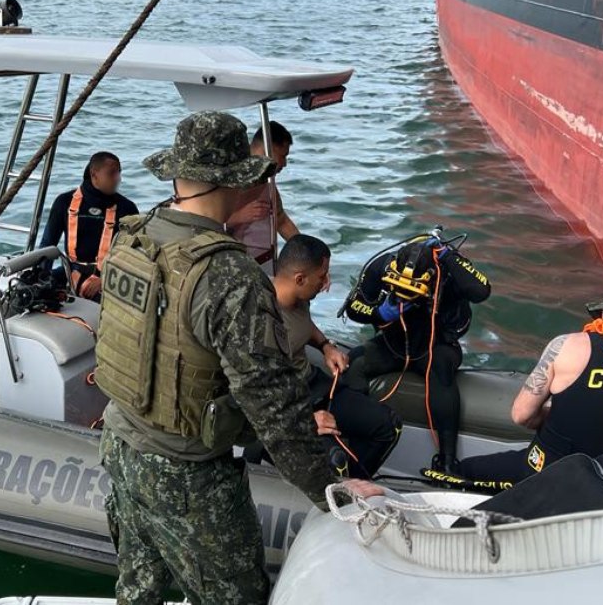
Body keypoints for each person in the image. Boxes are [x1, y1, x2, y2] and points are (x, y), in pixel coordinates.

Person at [94, 111, 383, 605]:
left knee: (139, 592)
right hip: (187, 475)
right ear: (236, 182)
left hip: (120, 447)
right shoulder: (229, 274)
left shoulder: (134, 237)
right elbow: (275, 407)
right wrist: (332, 492)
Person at [457, 282, 603, 485]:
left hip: (542, 476)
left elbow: (522, 415)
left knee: (462, 471)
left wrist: (559, 415)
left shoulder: (566, 346)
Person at [342, 234, 491, 477]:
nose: (404, 296)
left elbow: (482, 290)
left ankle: (447, 461)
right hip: (393, 344)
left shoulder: (448, 271)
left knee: (441, 369)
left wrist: (450, 257)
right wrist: (379, 312)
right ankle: (350, 441)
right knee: (354, 364)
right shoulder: (381, 266)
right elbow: (353, 307)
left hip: (435, 346)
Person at [273, 234, 401, 478]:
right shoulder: (259, 319)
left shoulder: (299, 296)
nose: (325, 285)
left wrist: (325, 345)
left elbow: (304, 325)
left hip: (312, 384)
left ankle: (355, 486)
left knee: (388, 425)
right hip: (283, 402)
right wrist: (304, 420)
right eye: (321, 278)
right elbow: (253, 391)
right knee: (335, 460)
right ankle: (336, 493)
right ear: (299, 278)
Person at [39, 151, 139, 300]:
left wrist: (104, 279)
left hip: (109, 277)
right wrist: (41, 281)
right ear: (94, 175)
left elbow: (135, 256)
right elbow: (47, 246)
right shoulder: (64, 202)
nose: (118, 179)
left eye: (119, 173)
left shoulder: (127, 208)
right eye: (112, 173)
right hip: (71, 273)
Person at [225, 121, 298, 266]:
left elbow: (281, 219)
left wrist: (307, 251)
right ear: (268, 149)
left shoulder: (266, 180)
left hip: (260, 259)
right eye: (282, 156)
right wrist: (238, 216)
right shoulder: (228, 176)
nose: (284, 164)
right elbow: (202, 221)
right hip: (228, 259)